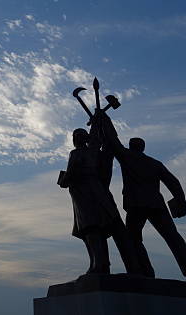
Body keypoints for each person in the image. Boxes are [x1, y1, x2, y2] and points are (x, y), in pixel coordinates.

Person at [99, 112, 186, 284]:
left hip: (136, 205)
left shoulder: (126, 156)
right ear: (143, 148)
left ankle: (145, 272)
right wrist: (181, 202)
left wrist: (104, 118)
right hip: (156, 204)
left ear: (131, 146)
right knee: (174, 238)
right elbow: (174, 182)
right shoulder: (155, 163)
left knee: (133, 239)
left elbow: (112, 138)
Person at [59, 118, 142, 275]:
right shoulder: (96, 152)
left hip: (86, 193)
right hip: (91, 192)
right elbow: (98, 139)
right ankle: (100, 264)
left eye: (77, 136)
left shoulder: (77, 153)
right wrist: (98, 124)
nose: (76, 139)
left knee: (91, 228)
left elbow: (68, 177)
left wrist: (64, 179)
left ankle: (100, 265)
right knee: (95, 229)